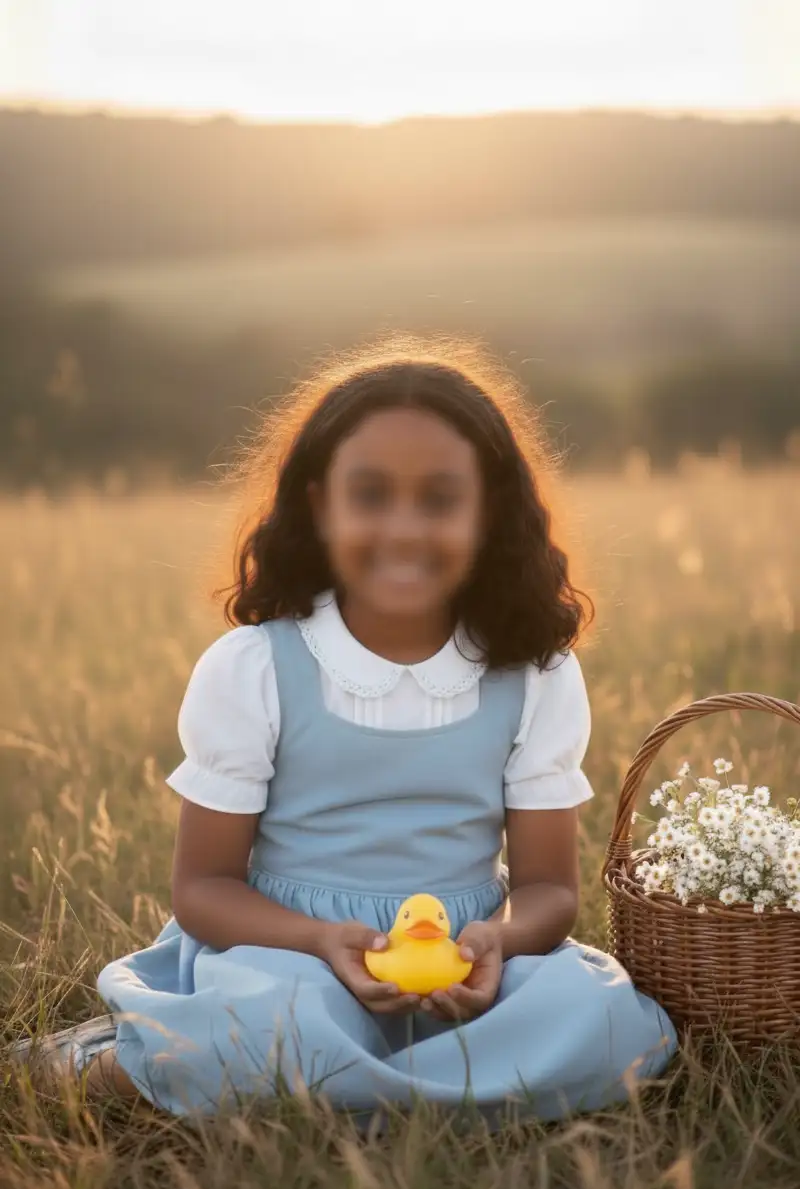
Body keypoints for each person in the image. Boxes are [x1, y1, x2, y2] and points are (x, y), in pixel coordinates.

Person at [19, 342, 678, 1123]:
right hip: (286, 959)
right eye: (370, 495)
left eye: (439, 500)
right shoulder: (255, 667)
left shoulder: (535, 674)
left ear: (491, 511)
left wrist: (496, 944)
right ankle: (115, 1062)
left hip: (464, 967)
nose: (404, 529)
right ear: (317, 504)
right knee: (270, 1029)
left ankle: (265, 1072)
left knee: (603, 1019)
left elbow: (547, 891)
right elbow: (203, 889)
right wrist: (322, 940)